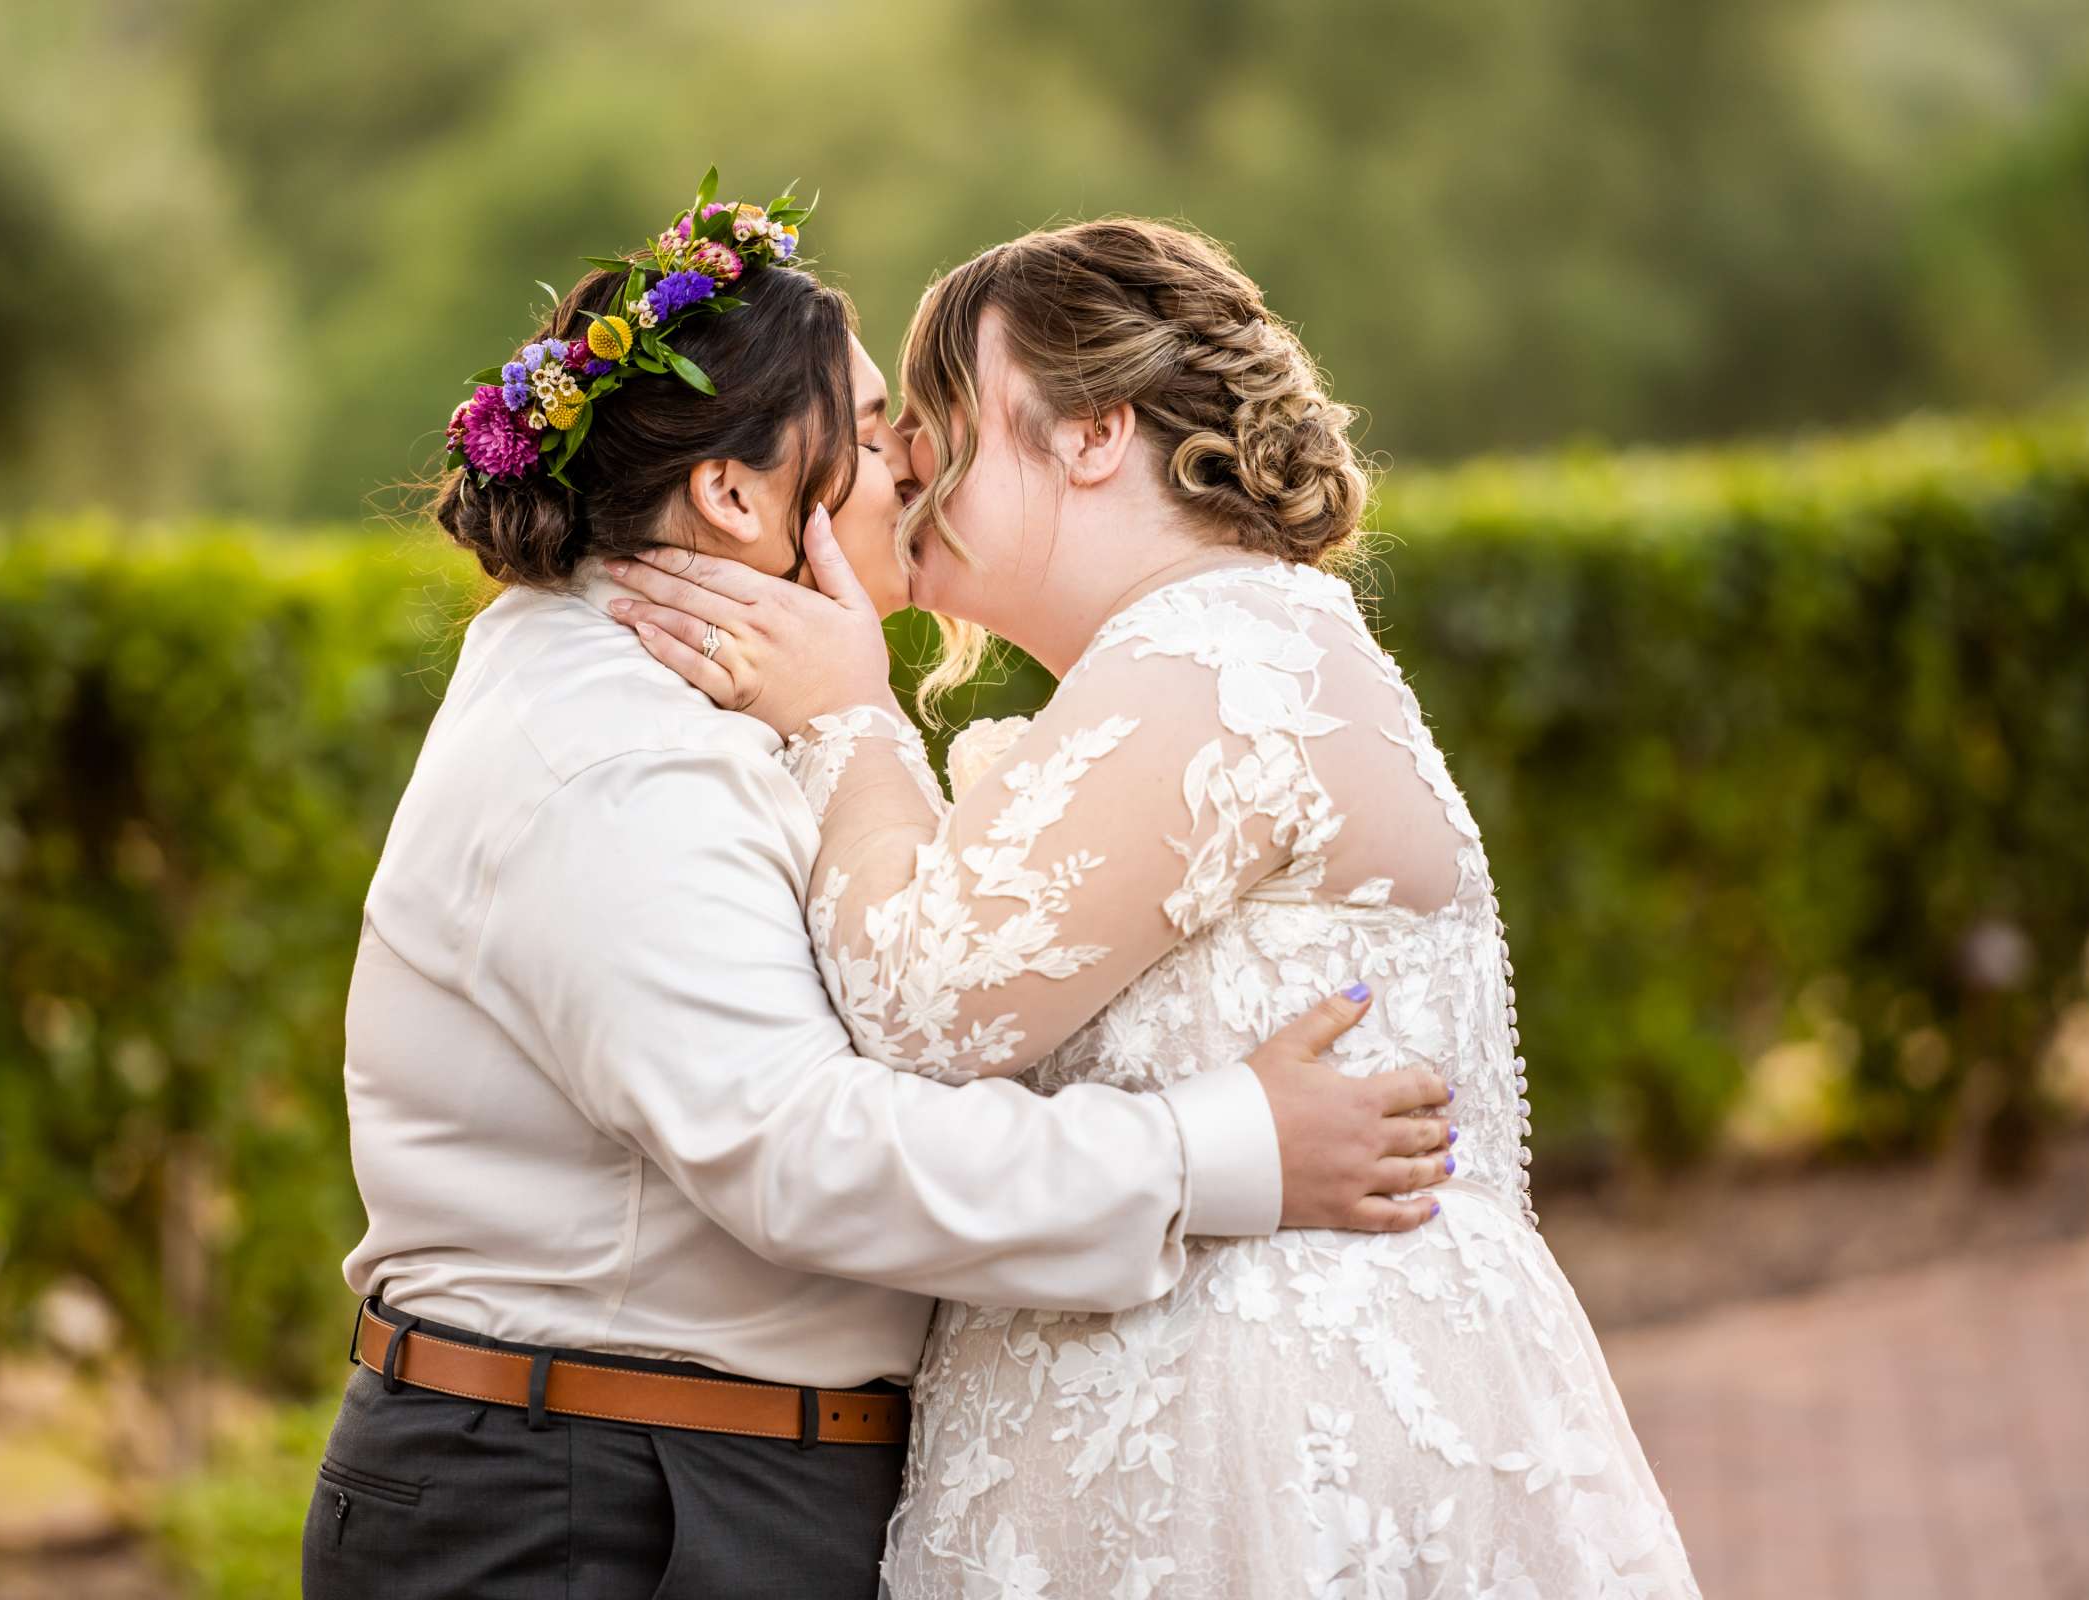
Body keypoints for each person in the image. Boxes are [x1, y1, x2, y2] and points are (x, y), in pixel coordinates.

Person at [303, 176, 1454, 1600]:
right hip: (594, 1504)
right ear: (732, 493)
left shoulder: (698, 703)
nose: (914, 463)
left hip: (661, 1469)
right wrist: (1222, 1151)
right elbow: (803, 1151)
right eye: (865, 433)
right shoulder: (615, 751)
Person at [611, 217, 1701, 1596]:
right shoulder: (1225, 645)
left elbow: (921, 1007)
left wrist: (847, 715)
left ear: (1092, 433)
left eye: (943, 417)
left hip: (1265, 1440)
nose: (904, 463)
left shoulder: (1216, 655)